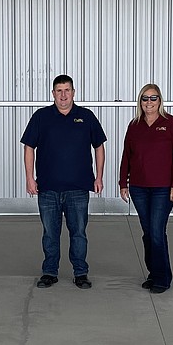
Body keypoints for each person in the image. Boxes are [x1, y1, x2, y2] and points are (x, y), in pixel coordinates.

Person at [21, 75, 107, 289]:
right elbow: (29, 147)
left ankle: (81, 272)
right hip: (47, 188)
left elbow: (99, 146)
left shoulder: (85, 117)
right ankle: (49, 271)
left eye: (67, 90)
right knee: (50, 233)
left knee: (78, 232)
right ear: (53, 93)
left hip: (78, 188)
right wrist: (30, 178)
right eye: (58, 91)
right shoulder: (41, 117)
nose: (63, 95)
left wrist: (99, 176)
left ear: (73, 92)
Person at [119, 84, 173, 294]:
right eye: (145, 98)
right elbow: (126, 156)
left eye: (153, 98)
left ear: (160, 100)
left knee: (157, 232)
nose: (149, 102)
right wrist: (123, 183)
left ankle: (163, 278)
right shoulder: (134, 125)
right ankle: (154, 273)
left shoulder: (170, 123)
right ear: (140, 101)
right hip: (139, 188)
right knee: (148, 233)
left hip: (163, 190)